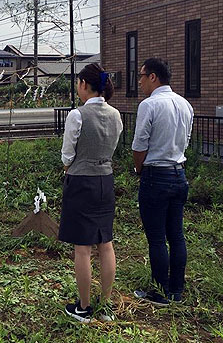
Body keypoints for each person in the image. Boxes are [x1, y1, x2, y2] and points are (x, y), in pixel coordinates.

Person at [60, 63, 123, 323]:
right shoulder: (116, 114)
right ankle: (105, 305)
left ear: (84, 84)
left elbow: (67, 156)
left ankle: (84, 307)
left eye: (78, 83)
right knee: (105, 243)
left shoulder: (77, 115)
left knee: (82, 248)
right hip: (105, 181)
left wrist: (71, 165)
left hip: (81, 181)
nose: (78, 87)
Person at [132, 58, 194, 306]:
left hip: (155, 175)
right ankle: (176, 291)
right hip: (179, 173)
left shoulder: (149, 105)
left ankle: (160, 292)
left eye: (142, 76)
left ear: (153, 77)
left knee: (157, 238)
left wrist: (139, 170)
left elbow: (139, 146)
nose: (140, 81)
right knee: (176, 235)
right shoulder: (185, 104)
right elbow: (186, 140)